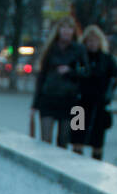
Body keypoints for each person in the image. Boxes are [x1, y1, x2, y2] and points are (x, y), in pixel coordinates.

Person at [32, 17, 85, 148]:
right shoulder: (50, 49)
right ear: (58, 30)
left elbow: (86, 72)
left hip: (69, 100)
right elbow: (42, 76)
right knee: (45, 140)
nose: (66, 31)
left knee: (63, 140)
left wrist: (70, 71)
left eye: (69, 28)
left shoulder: (79, 49)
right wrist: (35, 104)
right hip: (48, 98)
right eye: (63, 28)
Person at [70, 25, 117, 160]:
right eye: (89, 41)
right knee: (77, 138)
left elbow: (114, 78)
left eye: (95, 40)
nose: (92, 44)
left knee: (98, 139)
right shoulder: (79, 59)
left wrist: (108, 95)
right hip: (79, 104)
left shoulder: (106, 59)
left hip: (99, 103)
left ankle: (96, 164)